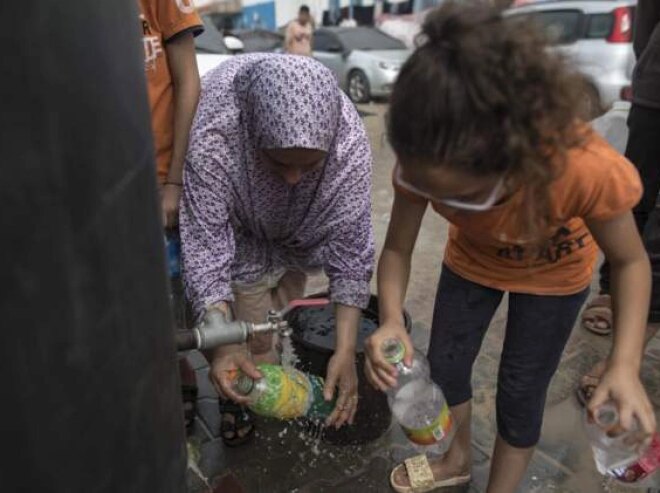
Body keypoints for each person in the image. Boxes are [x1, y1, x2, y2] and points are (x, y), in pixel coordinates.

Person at [363, 4, 657, 492]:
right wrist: (392, 317)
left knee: (521, 393)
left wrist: (624, 364)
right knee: (448, 368)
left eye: (471, 197)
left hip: (554, 279)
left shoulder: (583, 166)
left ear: (518, 158)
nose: (458, 209)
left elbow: (629, 262)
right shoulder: (423, 159)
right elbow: (396, 250)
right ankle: (457, 460)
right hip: (470, 266)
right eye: (443, 197)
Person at [180, 54, 374, 446]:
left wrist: (347, 349)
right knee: (252, 333)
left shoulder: (348, 148)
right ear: (251, 136)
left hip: (301, 236)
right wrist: (221, 344)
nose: (292, 178)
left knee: (281, 315)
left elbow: (352, 255)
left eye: (309, 166)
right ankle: (239, 389)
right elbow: (206, 243)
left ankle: (261, 379)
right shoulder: (217, 134)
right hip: (244, 238)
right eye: (279, 161)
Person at [578, 0, 660, 403]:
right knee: (636, 204)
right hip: (655, 90)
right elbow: (647, 19)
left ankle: (630, 349)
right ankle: (612, 291)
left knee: (650, 238)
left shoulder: (590, 169)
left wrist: (625, 363)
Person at [138, 0, 203, 428]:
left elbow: (188, 82)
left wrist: (175, 181)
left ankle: (181, 385)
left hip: (159, 179)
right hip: (97, 187)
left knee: (171, 304)